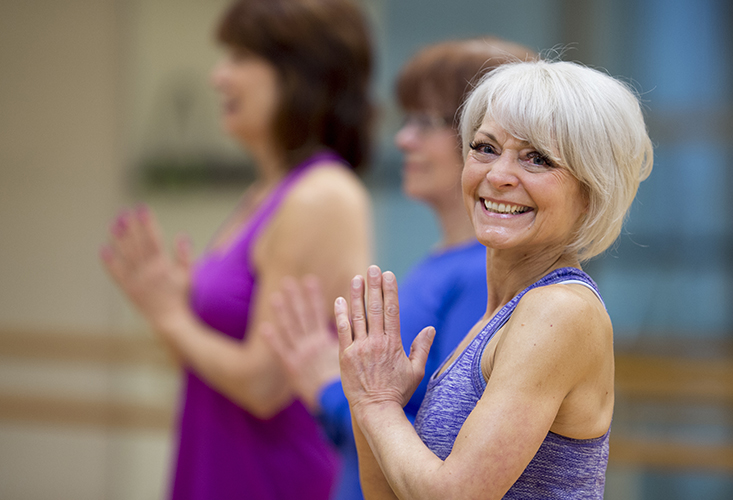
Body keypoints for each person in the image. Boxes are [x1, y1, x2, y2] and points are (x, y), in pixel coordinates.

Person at [333, 60, 654, 499]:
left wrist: (377, 404)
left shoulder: (559, 310)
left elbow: (456, 496)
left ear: (590, 194)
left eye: (536, 159)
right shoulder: (498, 315)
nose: (498, 175)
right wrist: (366, 397)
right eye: (485, 148)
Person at [99, 0, 373, 498]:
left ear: (300, 73)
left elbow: (264, 386)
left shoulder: (321, 195)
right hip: (214, 463)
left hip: (269, 479)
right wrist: (177, 308)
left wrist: (169, 317)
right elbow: (208, 359)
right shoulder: (265, 193)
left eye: (241, 57)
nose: (219, 77)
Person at [264, 37, 535, 500]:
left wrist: (329, 388)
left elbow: (442, 449)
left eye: (425, 122)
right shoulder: (448, 262)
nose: (403, 139)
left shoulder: (481, 274)